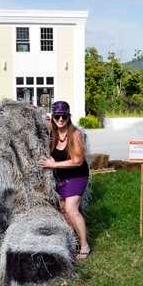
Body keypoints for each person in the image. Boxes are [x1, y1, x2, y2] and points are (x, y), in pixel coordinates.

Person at [39, 101, 91, 259]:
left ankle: (85, 246)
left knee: (71, 208)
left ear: (69, 117)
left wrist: (54, 164)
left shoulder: (75, 134)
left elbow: (78, 161)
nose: (60, 119)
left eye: (64, 116)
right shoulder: (51, 131)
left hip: (76, 175)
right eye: (57, 116)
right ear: (53, 117)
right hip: (60, 176)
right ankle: (71, 240)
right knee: (63, 209)